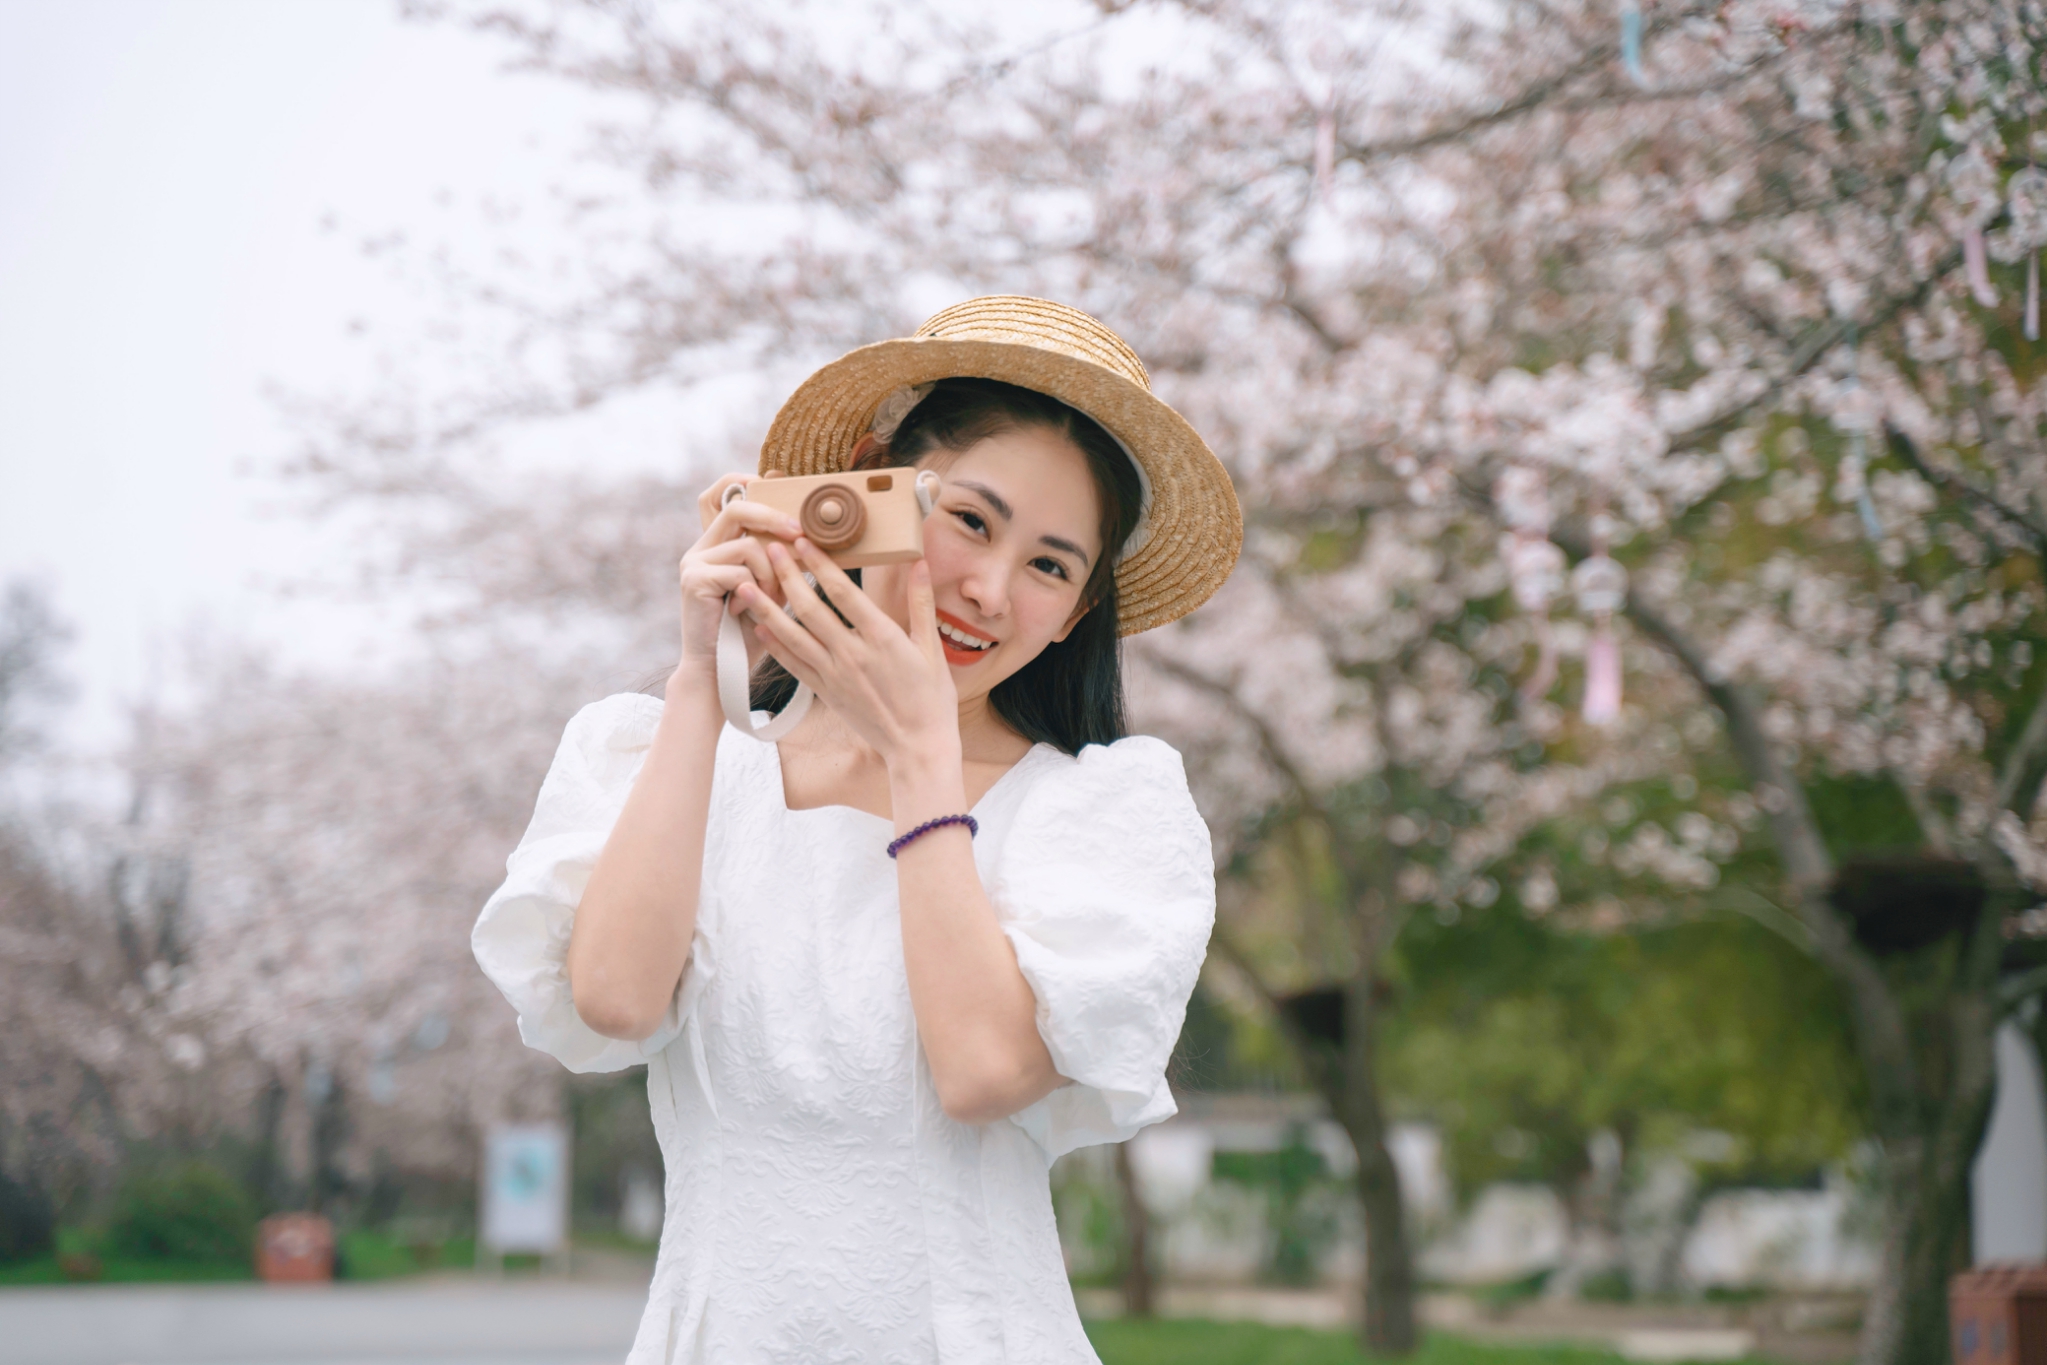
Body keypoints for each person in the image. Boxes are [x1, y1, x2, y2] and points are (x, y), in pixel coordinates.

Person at [472, 296, 1243, 1364]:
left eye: (1051, 567)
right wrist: (704, 675)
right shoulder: (673, 760)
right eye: (969, 520)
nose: (989, 587)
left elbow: (981, 1073)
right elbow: (613, 1001)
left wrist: (921, 756)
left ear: (1075, 614)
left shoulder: (1099, 810)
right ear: (873, 483)